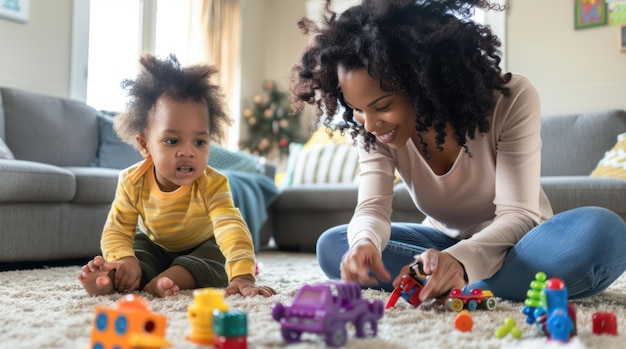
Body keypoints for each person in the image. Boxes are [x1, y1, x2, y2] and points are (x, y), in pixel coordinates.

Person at [289, 0, 626, 302]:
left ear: (421, 83)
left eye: (383, 106)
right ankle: (461, 280)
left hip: (523, 243)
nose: (370, 124)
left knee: (605, 232)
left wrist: (463, 262)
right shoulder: (375, 131)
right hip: (443, 242)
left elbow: (518, 215)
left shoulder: (512, 98)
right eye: (357, 109)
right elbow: (372, 209)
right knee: (337, 245)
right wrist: (365, 244)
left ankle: (455, 280)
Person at [78, 54, 276, 298]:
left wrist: (243, 276)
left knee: (217, 257)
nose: (187, 152)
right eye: (172, 141)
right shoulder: (132, 181)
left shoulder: (213, 183)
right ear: (144, 145)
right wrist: (124, 258)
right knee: (137, 253)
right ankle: (110, 278)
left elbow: (230, 227)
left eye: (199, 141)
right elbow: (118, 229)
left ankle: (169, 278)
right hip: (155, 245)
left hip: (203, 245)